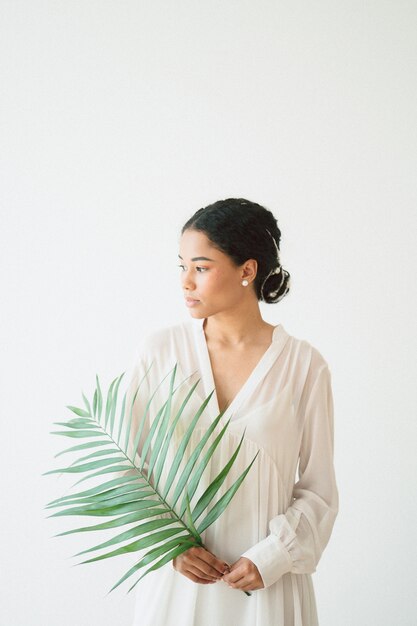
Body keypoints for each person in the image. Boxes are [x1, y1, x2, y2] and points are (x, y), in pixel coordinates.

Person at [128, 198, 338, 626]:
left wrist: (273, 556)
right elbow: (129, 467)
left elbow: (319, 490)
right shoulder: (161, 351)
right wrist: (169, 542)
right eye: (181, 266)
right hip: (179, 590)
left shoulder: (303, 366)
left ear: (248, 270)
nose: (186, 282)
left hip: (267, 591)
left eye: (201, 268)